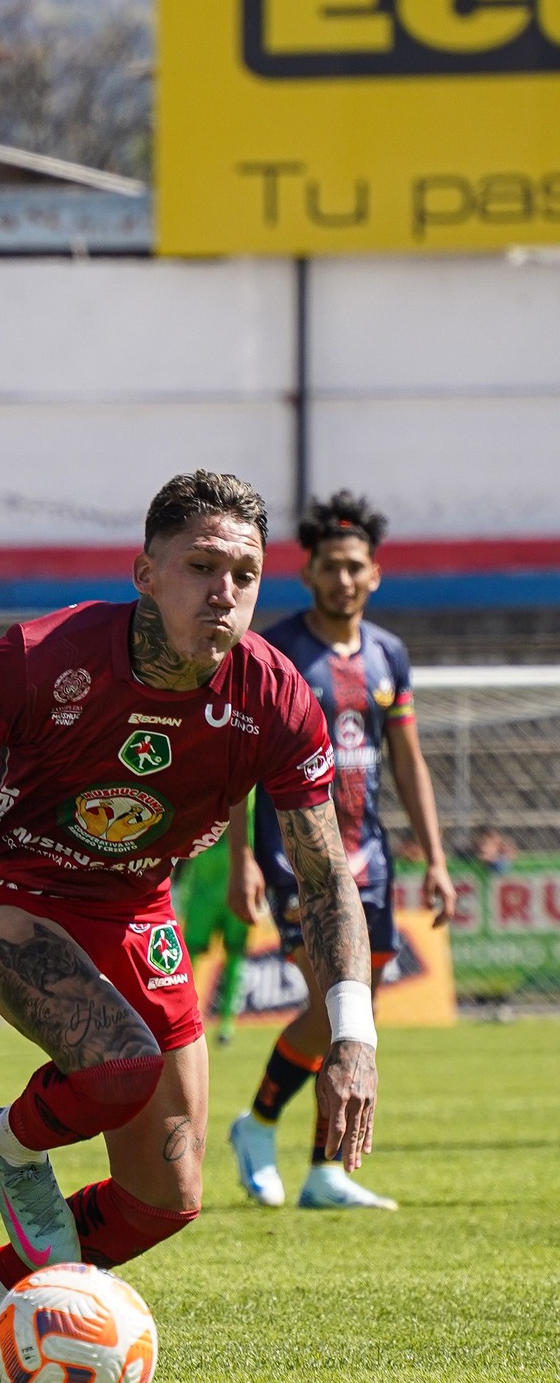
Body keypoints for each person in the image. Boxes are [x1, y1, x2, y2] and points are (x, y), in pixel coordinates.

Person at [0, 469, 378, 1376]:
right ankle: (13, 1143)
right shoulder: (44, 656)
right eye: (201, 566)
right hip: (4, 894)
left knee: (165, 1201)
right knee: (119, 1063)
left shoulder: (275, 698)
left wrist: (354, 1036)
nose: (224, 591)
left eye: (245, 574)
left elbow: (328, 873)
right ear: (146, 572)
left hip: (137, 911)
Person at [227, 491, 454, 1211]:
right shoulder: (280, 652)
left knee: (358, 1011)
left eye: (356, 567)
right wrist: (241, 862)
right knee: (332, 1007)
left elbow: (409, 761)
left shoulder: (390, 654)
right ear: (309, 572)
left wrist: (438, 858)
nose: (344, 580)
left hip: (374, 863)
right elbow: (239, 760)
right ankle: (257, 1123)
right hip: (299, 857)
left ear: (375, 574)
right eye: (331, 567)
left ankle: (326, 1171)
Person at [174, 790, 254, 1044]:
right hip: (202, 889)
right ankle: (181, 1018)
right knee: (187, 959)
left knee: (234, 958)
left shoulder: (248, 788)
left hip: (234, 883)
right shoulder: (199, 780)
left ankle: (227, 1024)